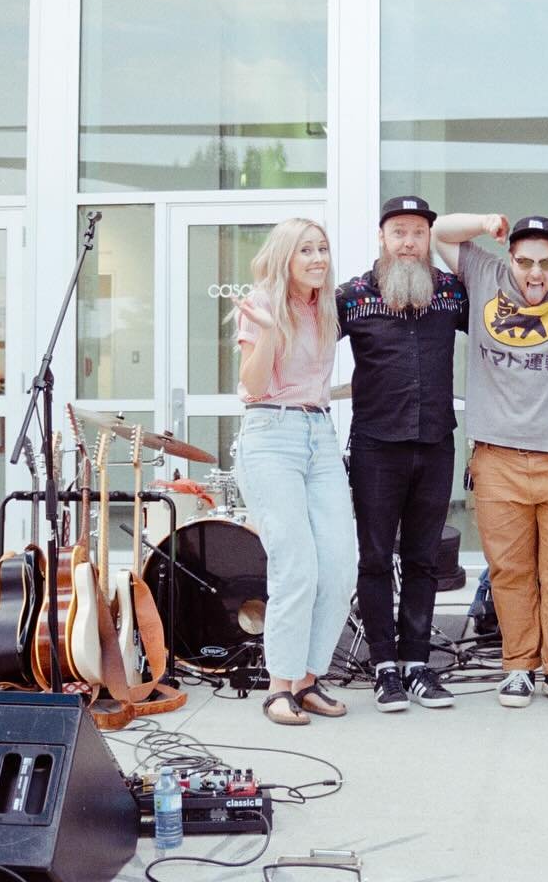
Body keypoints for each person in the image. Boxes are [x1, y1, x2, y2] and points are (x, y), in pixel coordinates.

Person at [430, 208, 548, 709]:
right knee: (509, 570)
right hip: (497, 455)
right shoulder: (484, 273)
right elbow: (440, 233)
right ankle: (519, 666)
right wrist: (485, 222)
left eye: (546, 263)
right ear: (509, 258)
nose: (535, 274)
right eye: (525, 262)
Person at [337, 195, 467, 713]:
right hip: (375, 448)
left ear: (428, 239)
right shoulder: (353, 296)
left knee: (423, 560)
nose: (409, 242)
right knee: (373, 560)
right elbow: (306, 335)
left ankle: (417, 665)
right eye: (399, 232)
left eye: (418, 232)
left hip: (436, 444)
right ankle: (384, 667)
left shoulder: (451, 293)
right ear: (382, 238)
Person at [233, 217, 357, 726]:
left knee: (339, 563)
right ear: (285, 255)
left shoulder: (324, 306)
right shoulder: (262, 304)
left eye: (323, 249)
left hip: (318, 435)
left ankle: (308, 680)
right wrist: (266, 335)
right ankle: (278, 686)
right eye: (306, 250)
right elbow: (253, 385)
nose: (317, 259)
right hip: (271, 435)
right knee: (296, 565)